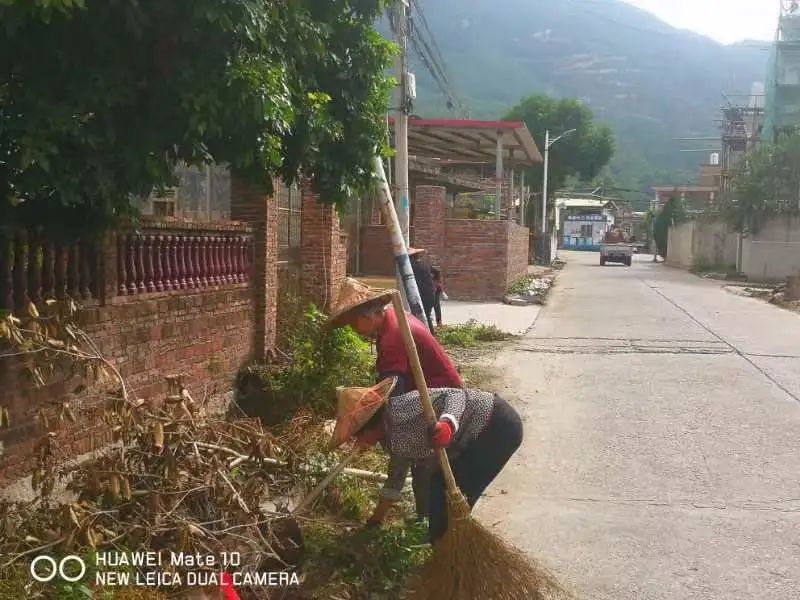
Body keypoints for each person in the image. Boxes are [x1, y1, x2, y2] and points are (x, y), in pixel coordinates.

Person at [326, 277, 464, 522]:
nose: (354, 331)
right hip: (424, 396)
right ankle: (417, 519)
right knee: (414, 454)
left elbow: (393, 402)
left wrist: (374, 432)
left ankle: (412, 521)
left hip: (440, 402)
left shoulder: (394, 336)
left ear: (368, 316)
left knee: (413, 454)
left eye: (353, 324)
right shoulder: (394, 320)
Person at [330, 378, 523, 542]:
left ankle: (449, 553)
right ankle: (445, 549)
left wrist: (448, 423)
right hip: (475, 441)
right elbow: (395, 478)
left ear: (369, 427)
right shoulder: (392, 441)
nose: (358, 442)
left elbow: (455, 395)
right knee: (441, 492)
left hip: (495, 425)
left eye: (358, 436)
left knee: (449, 496)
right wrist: (376, 520)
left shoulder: (400, 408)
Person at [408, 247, 436, 334]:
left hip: (423, 296)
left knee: (423, 317)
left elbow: (418, 285)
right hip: (429, 296)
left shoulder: (415, 268)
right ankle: (430, 334)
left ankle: (428, 335)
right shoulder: (423, 265)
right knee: (426, 316)